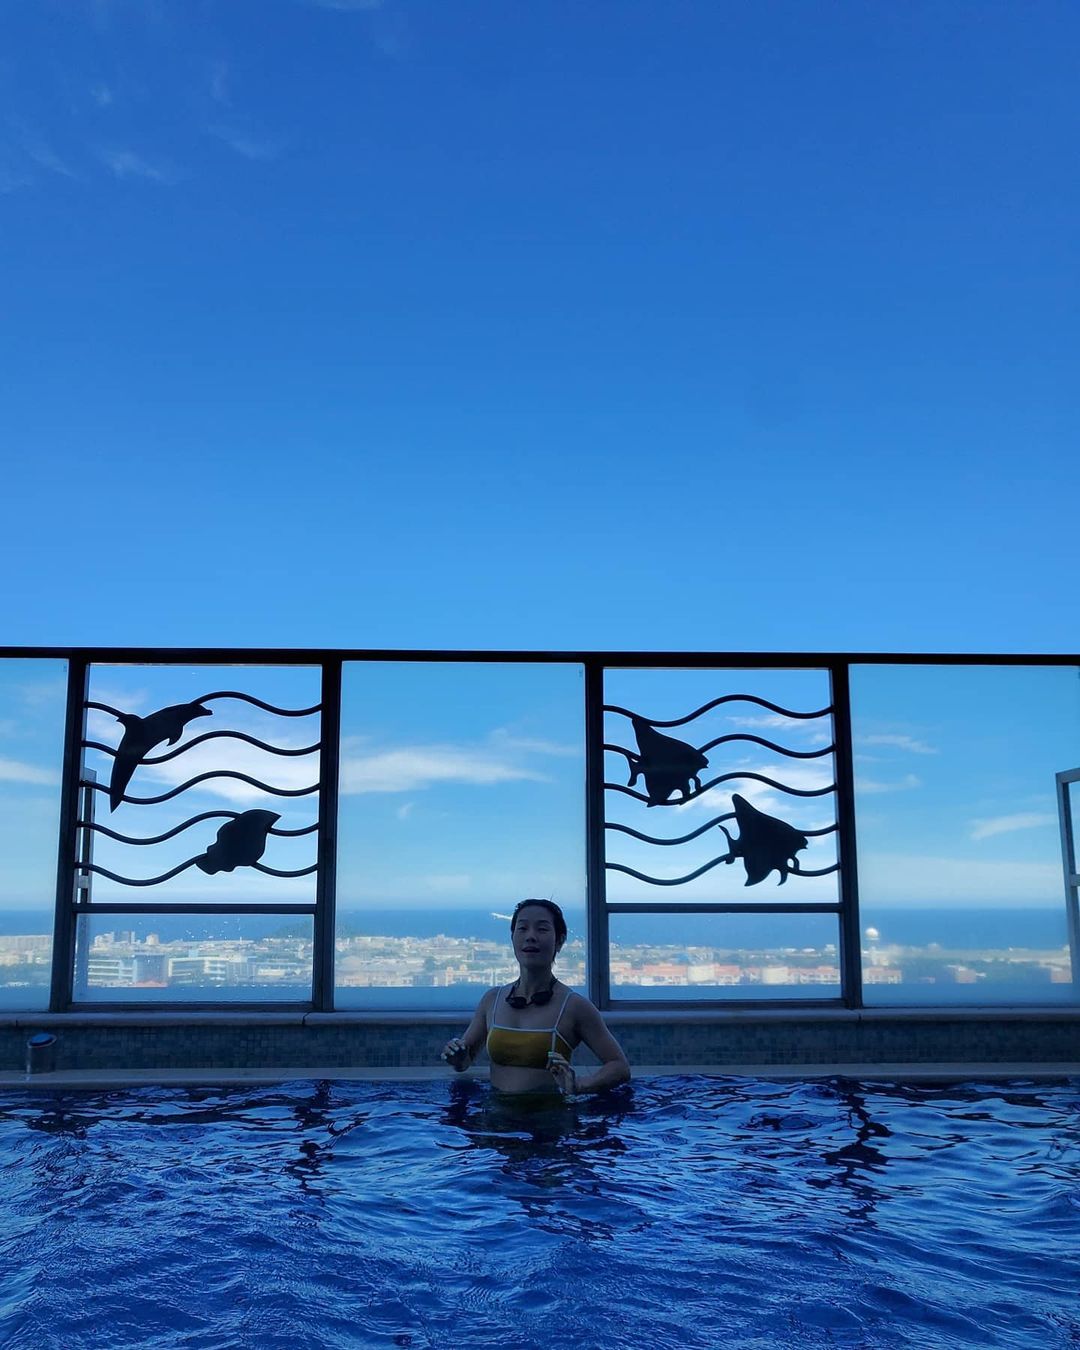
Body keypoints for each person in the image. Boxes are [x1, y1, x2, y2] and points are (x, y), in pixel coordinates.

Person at [439, 898, 631, 1096]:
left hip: (549, 1114)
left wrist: (580, 1085)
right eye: (522, 928)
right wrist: (456, 1057)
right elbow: (464, 1062)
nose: (530, 936)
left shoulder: (574, 1006)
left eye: (542, 929)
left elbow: (620, 1066)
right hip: (496, 1113)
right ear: (512, 937)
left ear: (559, 941)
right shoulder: (492, 1000)